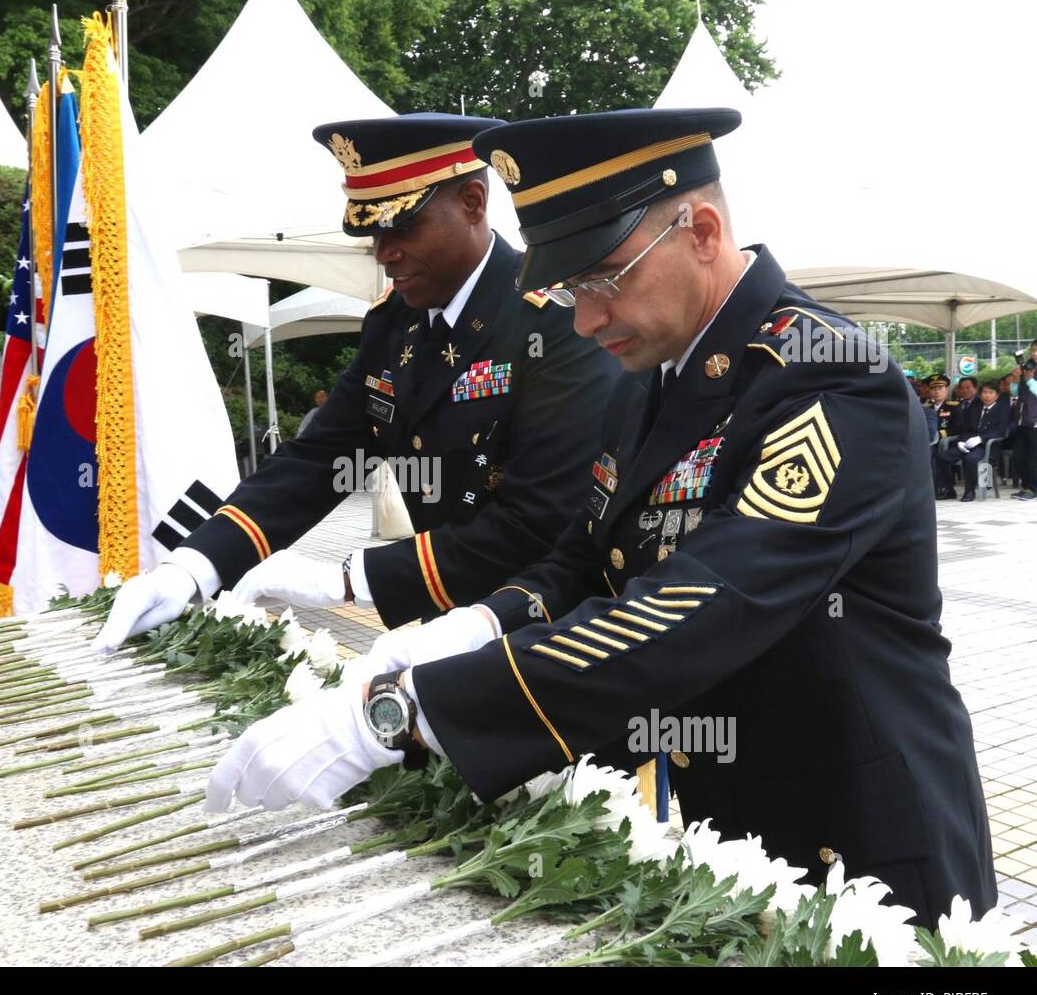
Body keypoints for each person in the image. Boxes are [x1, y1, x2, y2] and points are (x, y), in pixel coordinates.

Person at [205, 108, 997, 928]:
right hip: (732, 828)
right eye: (569, 290)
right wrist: (473, 625)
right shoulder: (662, 376)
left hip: (864, 846)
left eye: (604, 279)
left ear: (701, 230)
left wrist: (407, 713)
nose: (584, 320)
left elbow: (703, 601)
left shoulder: (830, 378)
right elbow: (585, 559)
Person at [91, 114, 626, 651]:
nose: (383, 252)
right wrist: (193, 566)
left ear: (472, 203)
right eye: (373, 230)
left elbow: (540, 523)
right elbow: (324, 454)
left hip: (555, 635)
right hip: (445, 623)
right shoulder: (396, 321)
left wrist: (348, 579)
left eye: (402, 226)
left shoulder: (556, 323)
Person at [936, 382, 1013, 500]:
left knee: (970, 458)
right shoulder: (974, 410)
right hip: (968, 444)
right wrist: (961, 441)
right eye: (984, 392)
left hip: (986, 446)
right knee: (942, 457)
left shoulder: (1002, 411)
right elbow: (965, 429)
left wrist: (980, 439)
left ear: (996, 396)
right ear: (980, 394)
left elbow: (1001, 432)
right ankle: (949, 489)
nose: (987, 395)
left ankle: (970, 491)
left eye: (991, 393)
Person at [1013, 356, 1037, 500]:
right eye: (1033, 350)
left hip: (1035, 423)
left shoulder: (1029, 374)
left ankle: (1033, 488)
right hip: (1022, 420)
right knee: (1019, 456)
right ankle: (1025, 486)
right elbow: (1014, 394)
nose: (1034, 353)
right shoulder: (1027, 367)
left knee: (1033, 458)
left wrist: (1029, 380)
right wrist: (1016, 380)